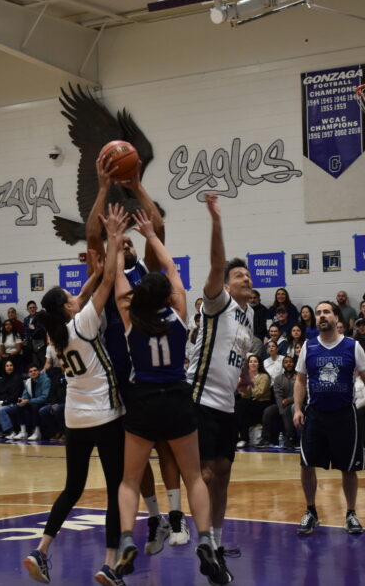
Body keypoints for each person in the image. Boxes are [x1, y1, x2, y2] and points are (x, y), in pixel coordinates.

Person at [110, 207, 225, 585]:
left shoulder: (129, 314)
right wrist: (151, 235)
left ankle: (127, 538)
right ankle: (205, 540)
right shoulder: (178, 310)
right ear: (168, 295)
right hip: (177, 394)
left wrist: (115, 238)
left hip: (142, 396)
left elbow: (115, 278)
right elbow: (172, 269)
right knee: (193, 476)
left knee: (129, 480)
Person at [23, 204, 128, 586]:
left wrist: (93, 271)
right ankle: (110, 564)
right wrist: (114, 239)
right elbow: (105, 284)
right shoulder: (83, 323)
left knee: (73, 488)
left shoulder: (57, 334)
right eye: (70, 296)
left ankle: (42, 550)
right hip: (104, 414)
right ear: (67, 307)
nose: (75, 296)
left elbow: (85, 292)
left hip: (74, 417)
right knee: (117, 487)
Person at [85, 154, 181, 552]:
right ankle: (155, 516)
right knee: (134, 455)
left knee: (167, 444)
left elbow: (156, 229)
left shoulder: (148, 275)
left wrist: (138, 185)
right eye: (117, 241)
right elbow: (93, 234)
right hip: (119, 372)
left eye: (127, 241)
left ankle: (175, 517)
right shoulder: (107, 271)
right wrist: (104, 187)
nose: (122, 243)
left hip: (154, 373)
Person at [185, 193, 256, 578]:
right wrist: (215, 220)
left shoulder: (248, 318)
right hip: (199, 399)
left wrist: (244, 377)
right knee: (207, 472)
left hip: (228, 405)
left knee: (224, 471)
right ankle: (200, 538)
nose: (247, 278)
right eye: (239, 275)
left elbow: (239, 355)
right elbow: (216, 264)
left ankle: (216, 541)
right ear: (225, 285)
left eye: (248, 275)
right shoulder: (217, 304)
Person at [293, 301, 365, 534]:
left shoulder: (352, 346)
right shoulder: (308, 346)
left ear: (336, 318)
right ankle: (311, 511)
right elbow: (300, 379)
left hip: (344, 415)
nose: (321, 316)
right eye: (318, 312)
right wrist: (298, 408)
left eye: (326, 312)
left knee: (348, 467)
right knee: (306, 464)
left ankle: (351, 512)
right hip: (315, 414)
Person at [235, 355, 271, 448]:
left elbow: (259, 392)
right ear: (248, 364)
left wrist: (250, 383)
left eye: (255, 361)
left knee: (242, 404)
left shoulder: (264, 376)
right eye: (250, 361)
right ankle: (238, 438)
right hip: (249, 403)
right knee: (239, 405)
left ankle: (243, 439)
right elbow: (244, 394)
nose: (253, 363)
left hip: (263, 403)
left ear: (259, 364)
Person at [261, 355, 298, 448]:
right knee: (268, 411)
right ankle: (266, 440)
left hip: (297, 403)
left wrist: (289, 400)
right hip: (282, 404)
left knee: (287, 410)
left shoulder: (299, 377)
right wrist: (281, 410)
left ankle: (290, 439)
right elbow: (278, 396)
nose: (288, 363)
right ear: (283, 365)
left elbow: (302, 393)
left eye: (290, 362)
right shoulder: (278, 378)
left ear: (294, 364)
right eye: (286, 362)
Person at [0, 359, 24, 439]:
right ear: (4, 368)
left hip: (14, 403)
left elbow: (15, 396)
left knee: (1, 410)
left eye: (11, 365)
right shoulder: (2, 379)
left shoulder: (17, 378)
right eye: (7, 366)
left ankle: (12, 432)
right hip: (4, 403)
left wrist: (2, 403)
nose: (9, 367)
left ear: (14, 367)